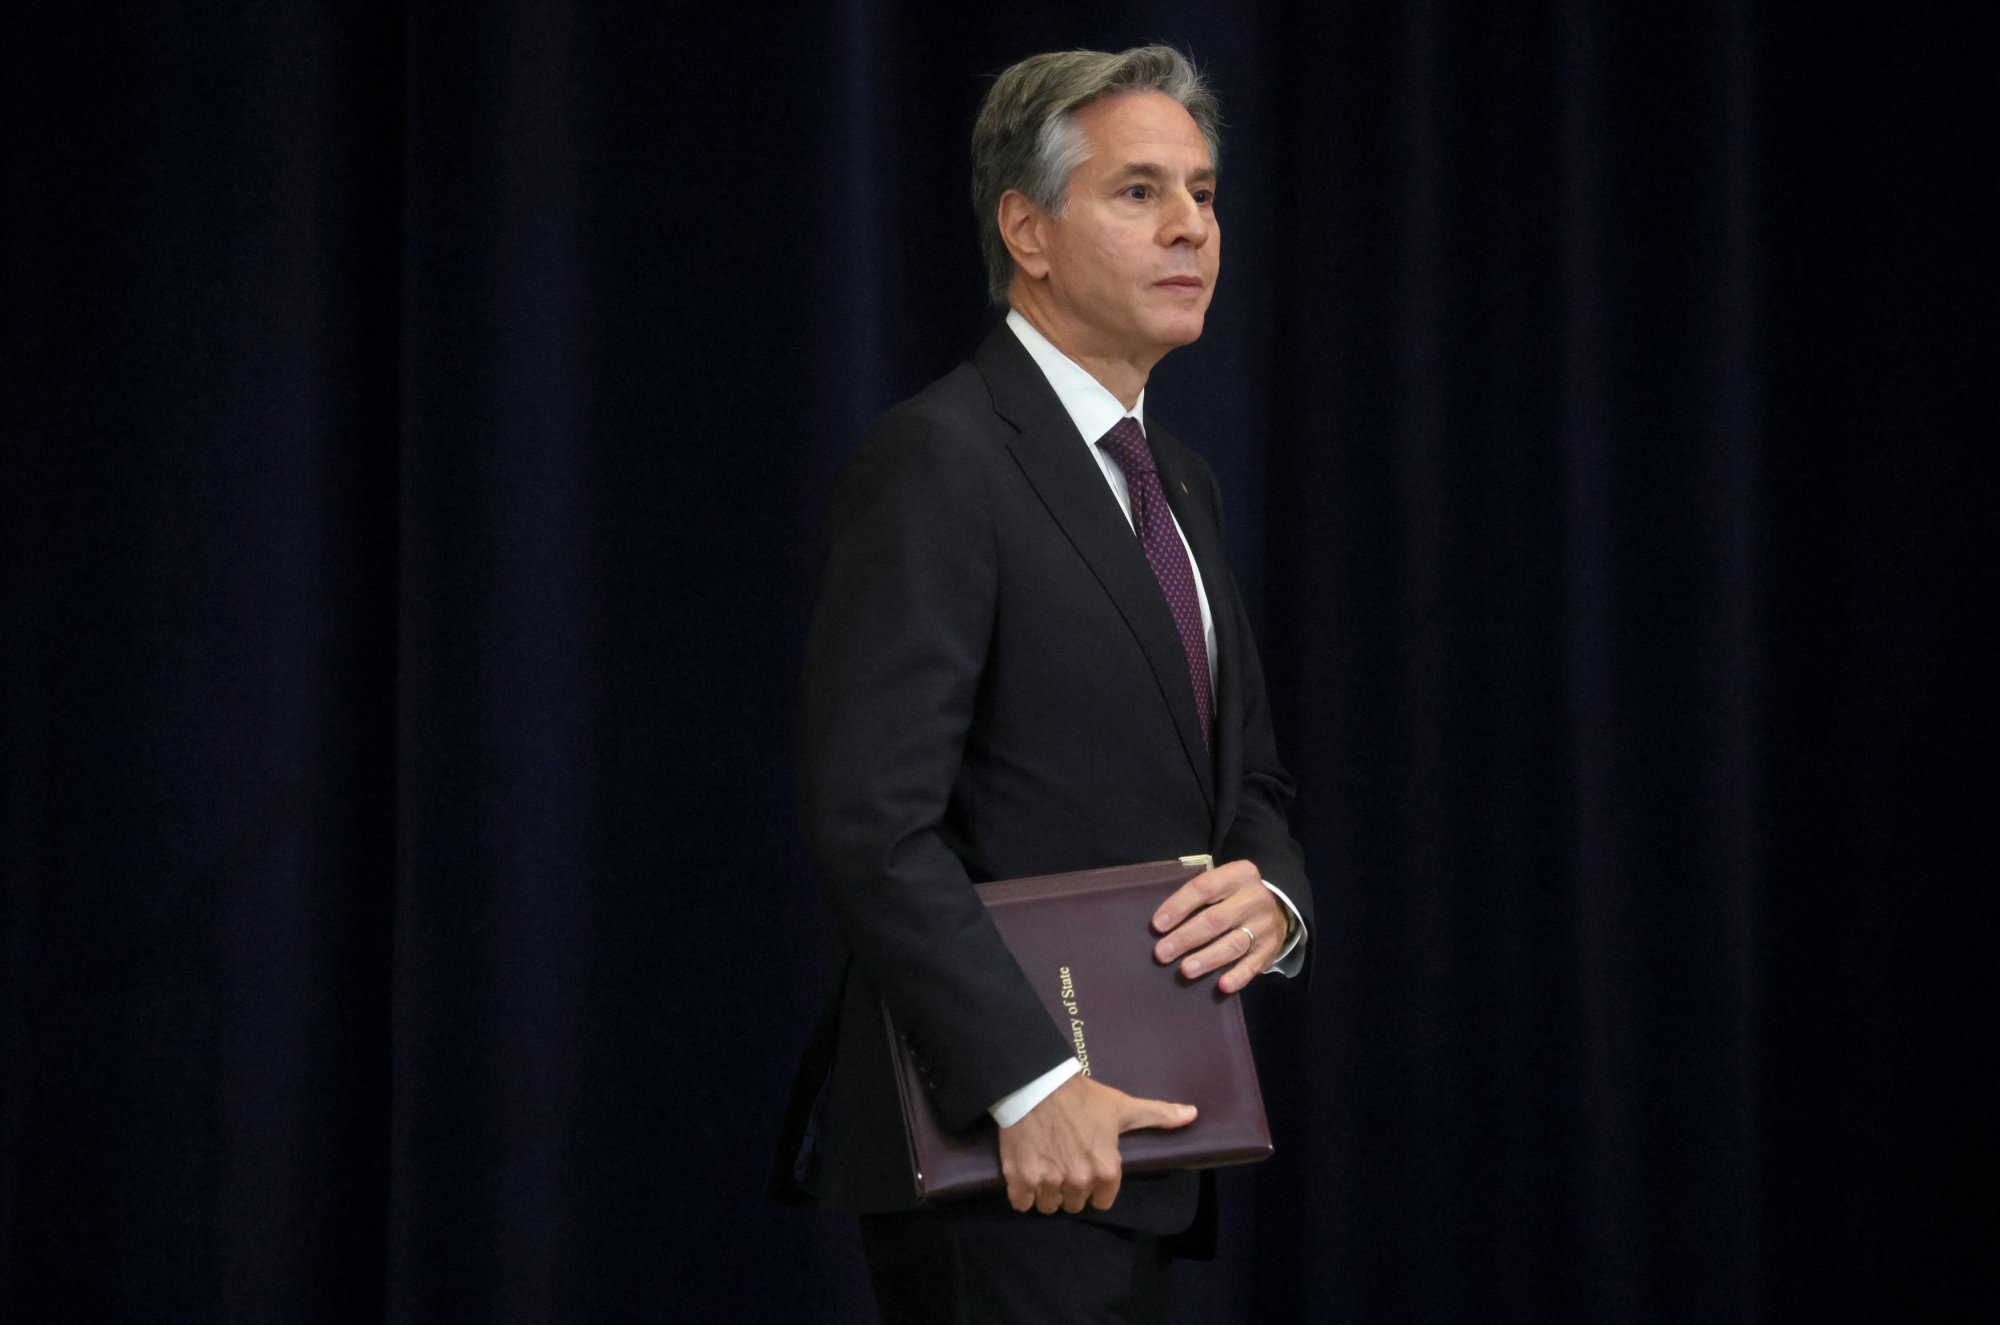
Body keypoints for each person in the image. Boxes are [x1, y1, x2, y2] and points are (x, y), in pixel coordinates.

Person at [769, 45, 1315, 1324]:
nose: (1190, 226)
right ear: (1027, 229)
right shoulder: (939, 459)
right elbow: (871, 819)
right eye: (1138, 191)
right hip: (1003, 1149)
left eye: (1202, 192)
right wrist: (1027, 1080)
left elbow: (1245, 774)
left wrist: (1273, 897)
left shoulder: (1179, 481)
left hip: (1143, 1140)